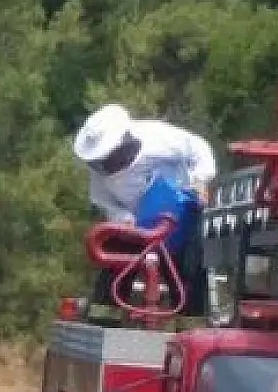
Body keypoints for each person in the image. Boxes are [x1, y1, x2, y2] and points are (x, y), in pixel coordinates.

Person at [73, 104, 217, 315]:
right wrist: (123, 217)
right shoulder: (99, 174)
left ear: (123, 141)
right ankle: (105, 316)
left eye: (111, 156)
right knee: (113, 269)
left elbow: (198, 149)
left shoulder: (157, 137)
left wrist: (200, 180)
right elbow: (104, 202)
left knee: (188, 275)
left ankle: (191, 325)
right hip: (135, 226)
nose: (109, 162)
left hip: (179, 216)